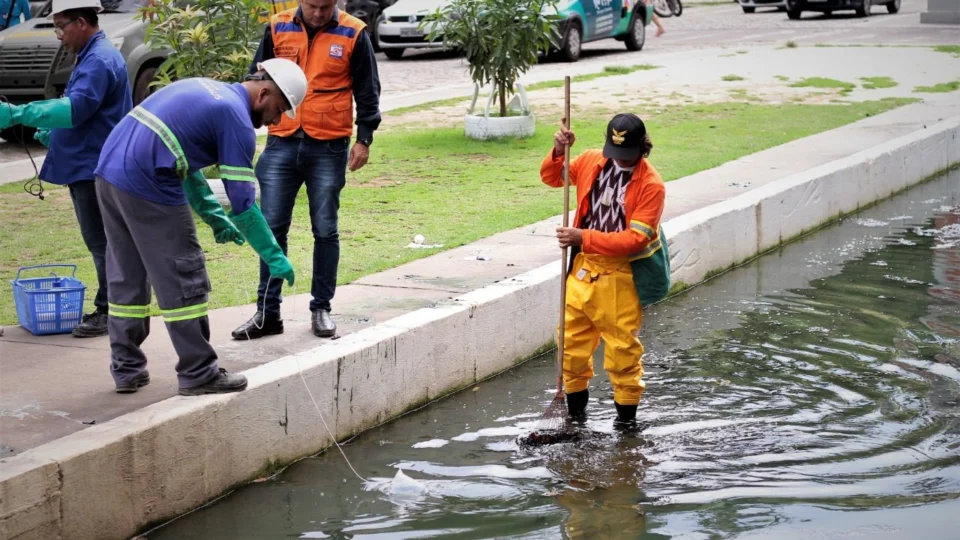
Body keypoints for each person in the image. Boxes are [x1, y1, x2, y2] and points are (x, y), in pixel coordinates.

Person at [92, 58, 306, 395]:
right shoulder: (236, 119)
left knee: (126, 275)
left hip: (108, 174)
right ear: (264, 92)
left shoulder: (207, 90)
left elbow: (184, 164)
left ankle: (127, 369)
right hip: (147, 181)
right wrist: (273, 254)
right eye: (279, 110)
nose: (275, 121)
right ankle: (198, 373)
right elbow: (243, 200)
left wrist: (214, 217)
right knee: (183, 275)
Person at [231, 0, 382, 341]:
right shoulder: (277, 26)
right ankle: (267, 314)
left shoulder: (354, 32)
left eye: (325, 6)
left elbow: (367, 90)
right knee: (270, 228)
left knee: (326, 229)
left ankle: (321, 309)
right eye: (312, 6)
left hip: (329, 145)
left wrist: (365, 138)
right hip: (281, 141)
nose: (318, 13)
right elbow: (256, 79)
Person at [0, 0, 131, 338]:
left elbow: (76, 109)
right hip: (87, 162)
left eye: (61, 27)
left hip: (94, 166)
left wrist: (19, 113)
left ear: (83, 22)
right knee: (102, 242)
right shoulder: (91, 55)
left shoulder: (99, 59)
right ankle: (113, 307)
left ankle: (110, 311)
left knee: (102, 243)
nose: (58, 35)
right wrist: (53, 132)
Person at [540, 113, 666, 424]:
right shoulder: (590, 161)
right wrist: (559, 151)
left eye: (627, 156)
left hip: (619, 275)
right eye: (615, 154)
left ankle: (626, 427)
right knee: (570, 343)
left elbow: (635, 239)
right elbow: (553, 177)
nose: (620, 161)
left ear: (642, 149)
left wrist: (583, 237)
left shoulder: (651, 185)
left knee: (622, 351)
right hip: (583, 269)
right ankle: (575, 419)